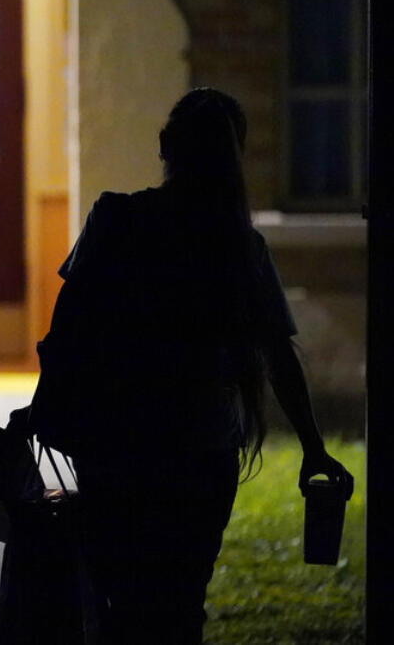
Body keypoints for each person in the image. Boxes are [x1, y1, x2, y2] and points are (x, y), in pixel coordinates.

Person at [28, 87, 353, 644]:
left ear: (164, 146)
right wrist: (313, 448)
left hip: (115, 446)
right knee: (181, 606)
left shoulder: (115, 219)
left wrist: (43, 409)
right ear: (236, 157)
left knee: (119, 606)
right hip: (202, 451)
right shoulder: (239, 248)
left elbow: (67, 331)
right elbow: (279, 356)